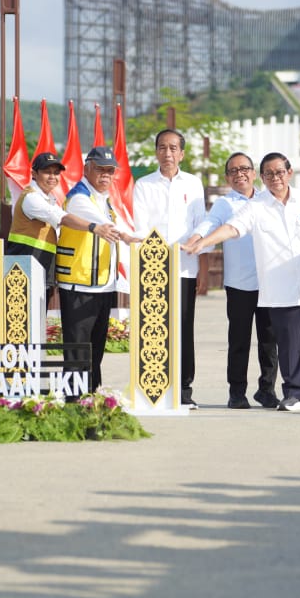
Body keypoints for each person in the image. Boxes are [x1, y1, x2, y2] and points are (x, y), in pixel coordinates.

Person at [183, 151, 300, 412]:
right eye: (269, 174)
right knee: (290, 345)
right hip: (279, 288)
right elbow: (231, 228)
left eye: (279, 172)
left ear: (289, 173)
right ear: (264, 177)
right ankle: (293, 394)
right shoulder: (255, 207)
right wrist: (203, 242)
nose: (275, 178)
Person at [186, 152, 278, 409]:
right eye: (234, 170)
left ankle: (267, 389)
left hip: (269, 281)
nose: (240, 174)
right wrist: (195, 239)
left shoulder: (268, 199)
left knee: (269, 340)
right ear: (227, 177)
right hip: (239, 284)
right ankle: (237, 392)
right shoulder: (224, 205)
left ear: (254, 173)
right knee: (239, 341)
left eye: (245, 169)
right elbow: (209, 225)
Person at [132, 128, 207, 408]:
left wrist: (201, 260)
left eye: (173, 148)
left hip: (185, 266)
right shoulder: (143, 185)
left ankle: (184, 389)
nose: (168, 153)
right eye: (162, 147)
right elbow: (140, 227)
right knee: (154, 327)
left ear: (182, 153)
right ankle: (155, 386)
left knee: (184, 328)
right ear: (156, 152)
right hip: (153, 268)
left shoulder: (193, 184)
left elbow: (202, 224)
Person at [56, 146, 138, 393]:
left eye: (110, 171)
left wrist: (133, 238)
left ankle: (93, 397)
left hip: (102, 285)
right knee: (78, 349)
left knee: (96, 348)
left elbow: (115, 225)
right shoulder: (79, 197)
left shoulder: (105, 201)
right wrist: (125, 234)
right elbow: (104, 224)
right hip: (79, 284)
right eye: (100, 169)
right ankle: (73, 401)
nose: (106, 175)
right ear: (87, 169)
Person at [6, 152, 119, 300]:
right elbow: (63, 218)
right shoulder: (31, 198)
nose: (52, 177)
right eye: (47, 172)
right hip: (22, 270)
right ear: (34, 173)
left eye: (56, 172)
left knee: (37, 321)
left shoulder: (49, 198)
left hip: (39, 269)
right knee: (23, 321)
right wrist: (94, 227)